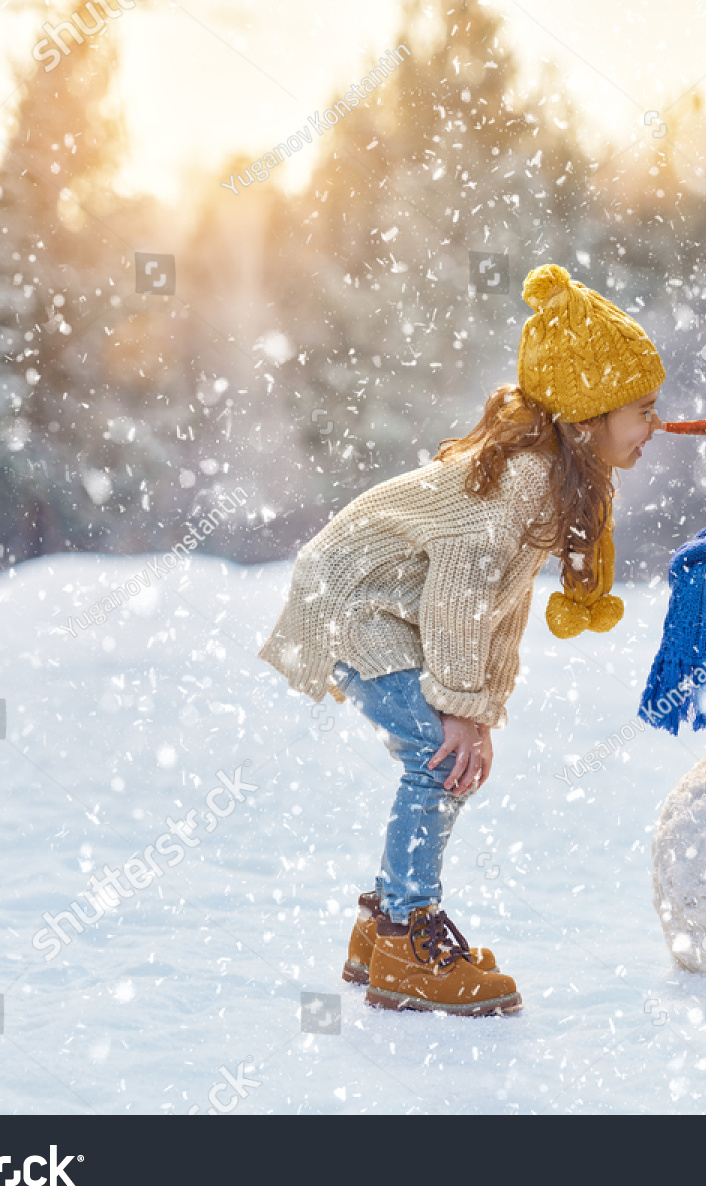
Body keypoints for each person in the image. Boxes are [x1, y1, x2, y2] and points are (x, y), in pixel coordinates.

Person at [258, 263, 664, 1016]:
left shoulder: (555, 479)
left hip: (384, 606)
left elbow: (496, 609)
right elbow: (459, 594)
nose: (656, 424)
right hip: (355, 600)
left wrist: (479, 704)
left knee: (445, 754)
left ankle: (381, 928)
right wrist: (460, 710)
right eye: (641, 408)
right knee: (437, 757)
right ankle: (409, 937)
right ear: (588, 415)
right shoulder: (526, 479)